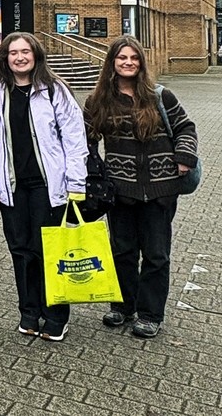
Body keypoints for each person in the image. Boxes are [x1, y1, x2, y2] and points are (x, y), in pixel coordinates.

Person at [84, 36, 198, 338]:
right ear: (112, 62)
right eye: (122, 58)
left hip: (161, 190)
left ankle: (150, 314)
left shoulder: (161, 96)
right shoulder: (98, 101)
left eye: (133, 58)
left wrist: (184, 157)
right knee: (122, 251)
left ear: (141, 62)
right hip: (120, 191)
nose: (128, 63)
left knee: (156, 254)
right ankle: (122, 306)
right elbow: (85, 138)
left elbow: (186, 127)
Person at [0, 32, 87, 341]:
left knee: (48, 251)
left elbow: (75, 139)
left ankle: (55, 315)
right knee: (21, 250)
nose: (20, 57)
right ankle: (29, 312)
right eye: (13, 53)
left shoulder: (55, 91)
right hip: (13, 187)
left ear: (36, 55)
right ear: (5, 59)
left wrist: (75, 183)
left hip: (48, 186)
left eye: (25, 51)